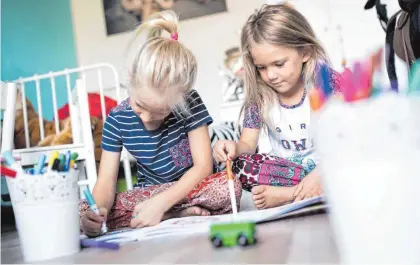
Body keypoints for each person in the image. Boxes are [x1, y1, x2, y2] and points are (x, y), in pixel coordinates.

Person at [80, 11, 241, 237]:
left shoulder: (191, 103)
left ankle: (167, 212)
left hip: (191, 187)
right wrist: (97, 213)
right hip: (150, 194)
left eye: (159, 112)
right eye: (139, 105)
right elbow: (106, 182)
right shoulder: (116, 119)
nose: (146, 118)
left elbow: (203, 167)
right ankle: (175, 214)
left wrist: (163, 203)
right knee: (81, 212)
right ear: (131, 80)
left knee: (229, 188)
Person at [213, 4, 340, 209]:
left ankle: (290, 195)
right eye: (261, 68)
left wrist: (320, 173)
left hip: (328, 166)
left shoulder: (326, 83)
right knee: (240, 166)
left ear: (305, 52)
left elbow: (346, 138)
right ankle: (311, 191)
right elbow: (247, 143)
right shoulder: (260, 97)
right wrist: (234, 147)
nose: (271, 75)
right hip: (287, 172)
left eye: (279, 64)